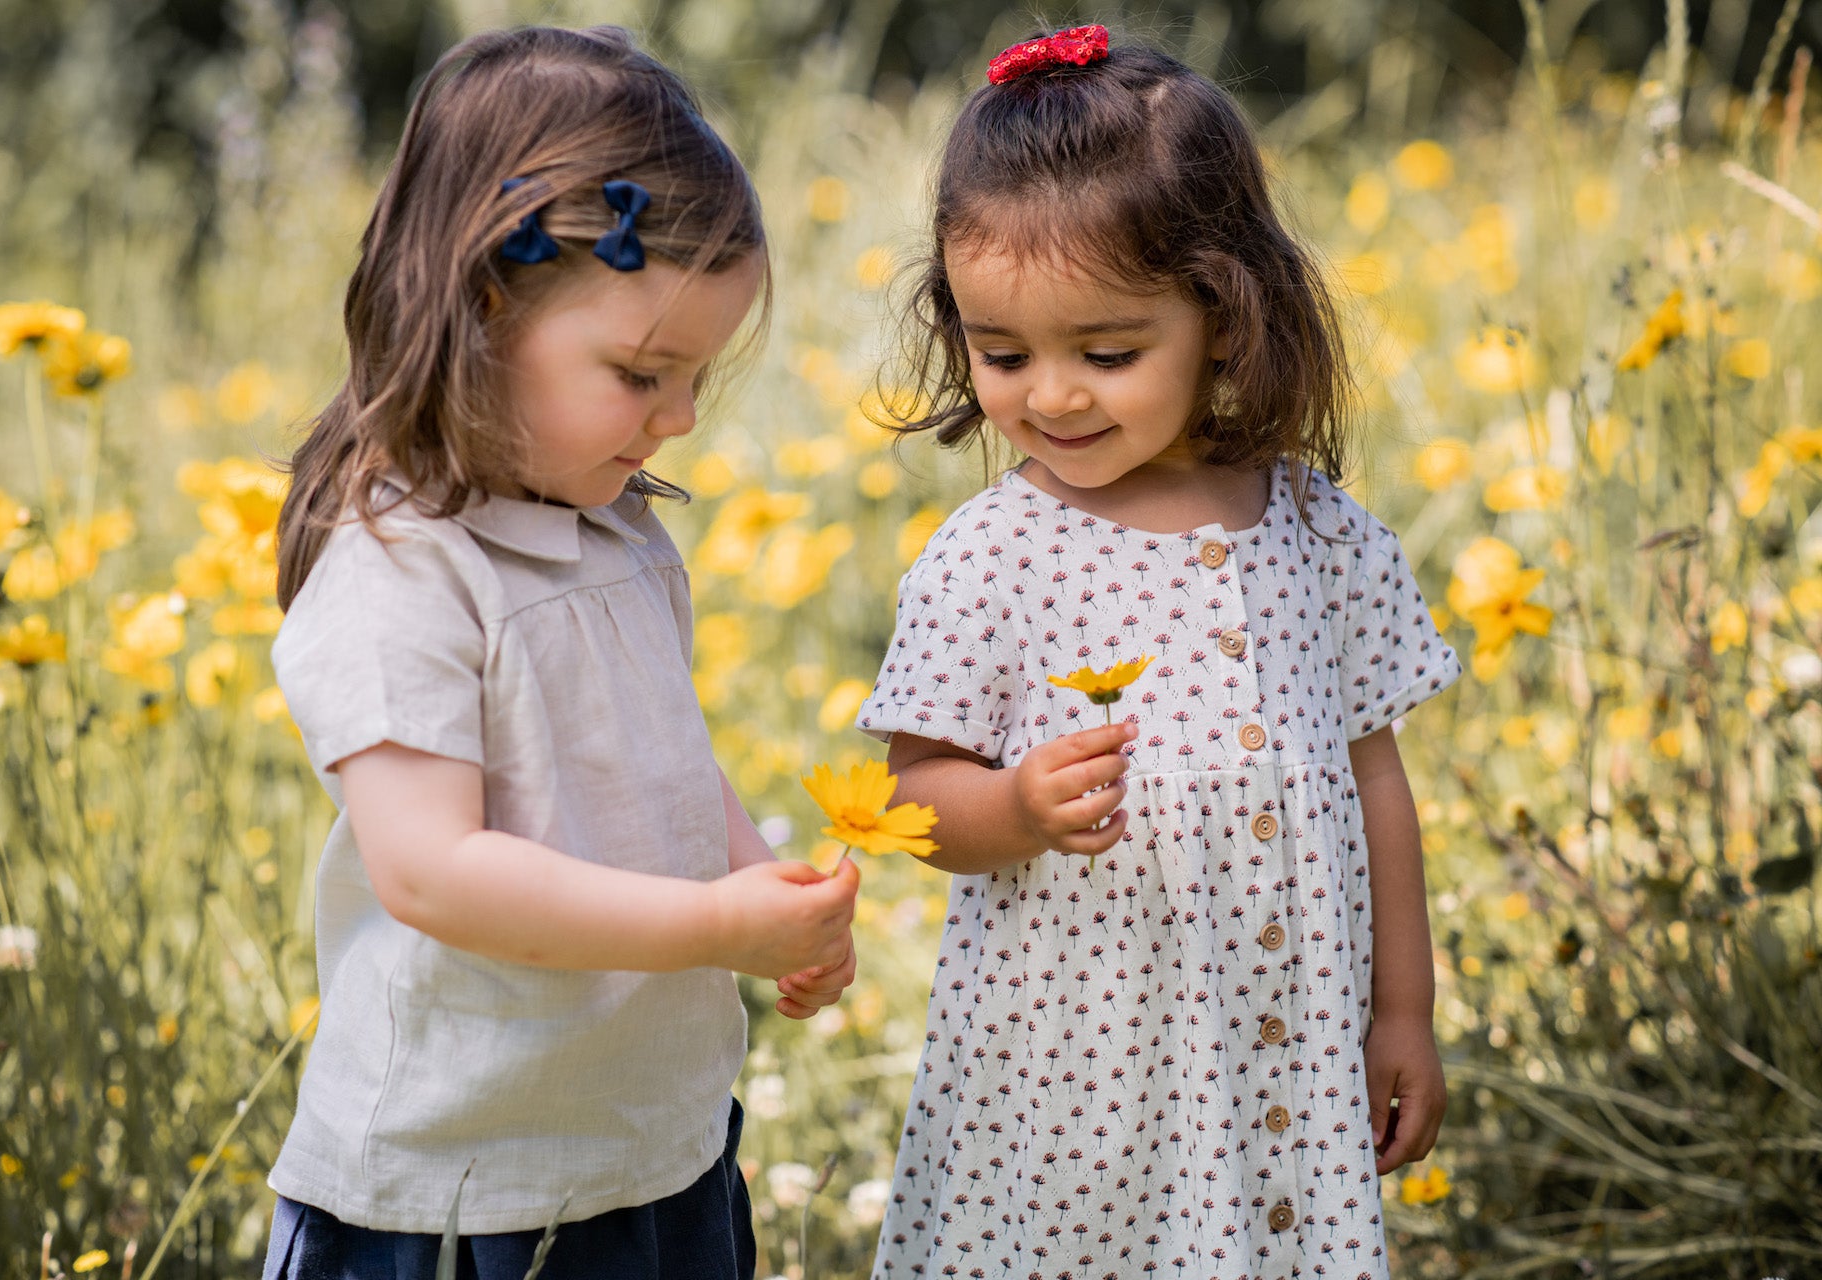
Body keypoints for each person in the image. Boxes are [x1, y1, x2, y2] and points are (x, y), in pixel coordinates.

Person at [856, 25, 1463, 1278]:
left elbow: (1375, 780)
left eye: (1109, 352)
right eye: (1003, 352)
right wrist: (1014, 804)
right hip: (1077, 1071)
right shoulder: (990, 556)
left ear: (1225, 316)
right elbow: (912, 792)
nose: (1053, 396)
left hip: (1276, 1047)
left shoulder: (1316, 532)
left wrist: (1404, 1007)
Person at [259, 25, 860, 1280]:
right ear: (482, 307)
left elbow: (664, 765)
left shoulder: (617, 533)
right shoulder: (405, 569)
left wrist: (767, 893)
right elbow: (435, 870)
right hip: (458, 1184)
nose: (683, 416)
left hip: (648, 1146)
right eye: (645, 372)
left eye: (696, 373)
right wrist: (710, 922)